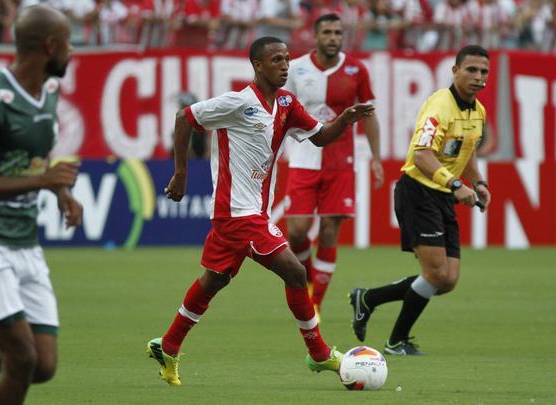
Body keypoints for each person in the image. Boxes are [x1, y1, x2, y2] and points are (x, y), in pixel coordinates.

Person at [146, 36, 375, 386]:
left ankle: (169, 344)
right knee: (296, 272)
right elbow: (184, 117)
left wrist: (344, 121)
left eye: (286, 59)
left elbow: (319, 136)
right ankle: (318, 354)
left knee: (215, 279)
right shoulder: (237, 103)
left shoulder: (286, 102)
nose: (285, 65)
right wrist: (180, 173)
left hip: (254, 212)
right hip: (237, 213)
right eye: (276, 60)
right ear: (257, 65)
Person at [0, 5, 82, 405]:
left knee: (41, 365)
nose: (72, 51)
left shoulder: (50, 92)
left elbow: (34, 161)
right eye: (68, 42)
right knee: (21, 357)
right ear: (50, 45)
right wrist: (45, 181)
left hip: (24, 239)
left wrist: (61, 193)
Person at [349, 45, 491, 355]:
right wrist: (455, 184)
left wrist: (477, 182)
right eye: (471, 70)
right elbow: (421, 154)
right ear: (455, 71)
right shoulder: (439, 107)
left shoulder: (477, 111)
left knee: (448, 280)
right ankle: (396, 341)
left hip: (443, 196)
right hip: (418, 191)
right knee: (436, 273)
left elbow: (466, 153)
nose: (478, 77)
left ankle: (368, 298)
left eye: (484, 72)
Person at [283, 13, 384, 317]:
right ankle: (310, 279)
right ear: (315, 36)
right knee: (297, 231)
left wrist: (376, 158)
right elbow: (282, 112)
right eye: (327, 32)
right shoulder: (296, 69)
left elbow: (370, 115)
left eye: (338, 32)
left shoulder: (357, 69)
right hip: (303, 158)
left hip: (341, 162)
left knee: (329, 231)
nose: (333, 37)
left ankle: (315, 305)